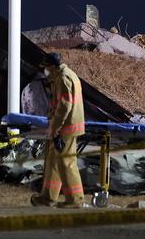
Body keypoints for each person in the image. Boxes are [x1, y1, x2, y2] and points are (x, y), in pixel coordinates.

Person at [30, 52, 86, 208]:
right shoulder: (64, 76)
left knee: (66, 162)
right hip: (66, 126)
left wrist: (55, 128)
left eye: (46, 68)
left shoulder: (63, 78)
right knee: (53, 162)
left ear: (53, 66)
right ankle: (48, 197)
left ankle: (75, 200)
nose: (45, 71)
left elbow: (64, 107)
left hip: (66, 127)